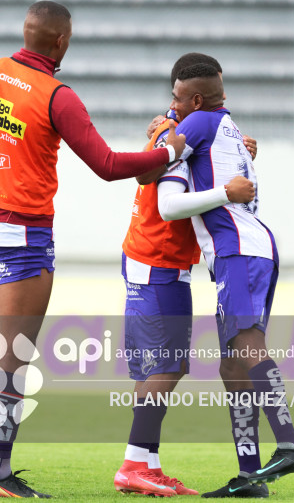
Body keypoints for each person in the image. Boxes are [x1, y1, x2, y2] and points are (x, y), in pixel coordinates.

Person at [0, 0, 186, 498]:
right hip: (23, 234)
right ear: (60, 42)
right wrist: (170, 151)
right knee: (15, 352)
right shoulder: (57, 94)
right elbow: (106, 163)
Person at [158, 64, 294, 494]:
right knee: (232, 364)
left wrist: (163, 129)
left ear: (195, 100)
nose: (171, 104)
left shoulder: (200, 122)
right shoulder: (227, 127)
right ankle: (250, 476)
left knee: (247, 345)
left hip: (239, 249)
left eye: (176, 97)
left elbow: (160, 173)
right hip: (252, 247)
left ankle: (289, 444)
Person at [115, 53, 260, 498]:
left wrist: (237, 153)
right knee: (169, 366)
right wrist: (225, 188)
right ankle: (133, 464)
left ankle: (146, 464)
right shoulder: (175, 136)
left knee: (158, 367)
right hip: (157, 259)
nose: (172, 105)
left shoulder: (180, 133)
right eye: (173, 99)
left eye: (177, 98)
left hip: (156, 259)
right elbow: (163, 197)